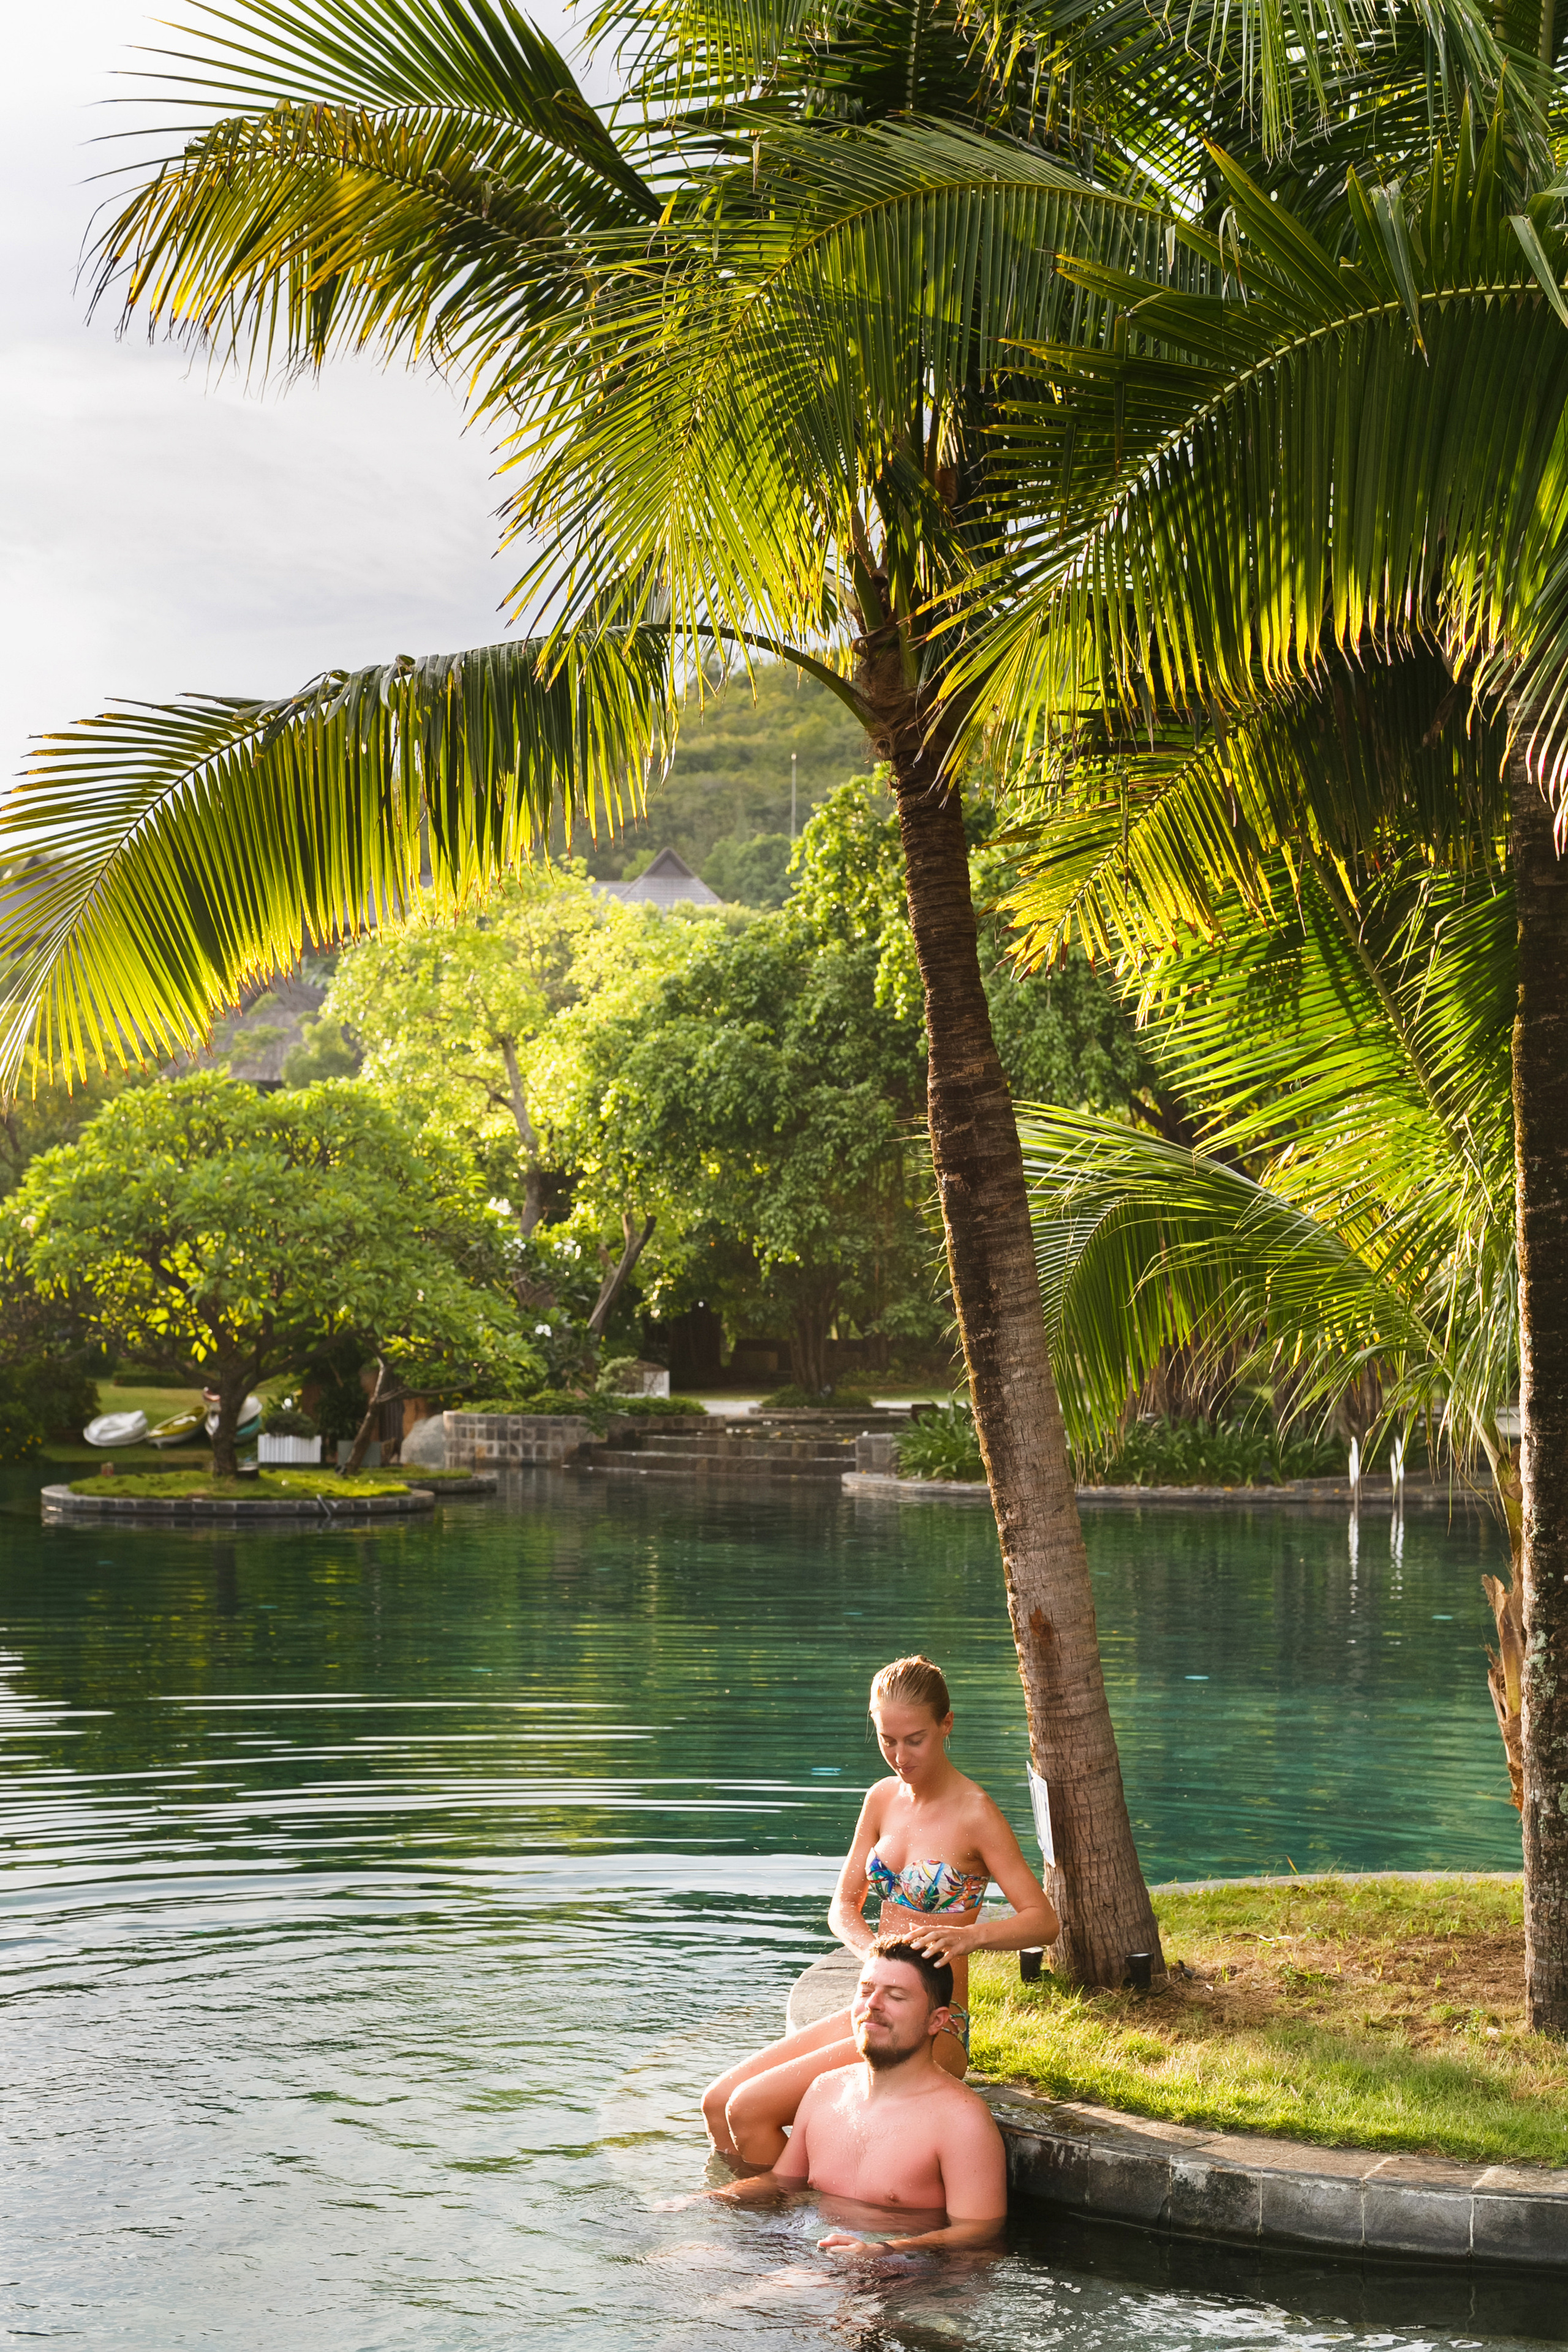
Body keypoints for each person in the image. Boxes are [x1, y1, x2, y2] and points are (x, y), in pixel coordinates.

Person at [703, 1653, 1059, 2165]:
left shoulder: (975, 1814)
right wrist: (874, 1952)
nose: (899, 1756)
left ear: (946, 1725)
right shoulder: (881, 1798)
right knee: (717, 2103)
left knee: (748, 2108)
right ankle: (754, 2204)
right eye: (887, 1739)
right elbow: (843, 1907)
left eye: (914, 1739)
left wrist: (968, 1937)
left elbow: (1043, 1921)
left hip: (931, 2025)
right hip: (870, 2009)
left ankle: (781, 2213)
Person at [702, 1939, 1008, 2253]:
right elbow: (782, 2181)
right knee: (688, 2257)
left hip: (900, 2270)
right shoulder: (826, 2088)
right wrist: (701, 2201)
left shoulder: (961, 2120)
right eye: (865, 1991)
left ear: (936, 2021)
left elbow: (979, 2232)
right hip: (811, 2249)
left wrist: (883, 2250)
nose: (873, 2004)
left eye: (896, 1996)